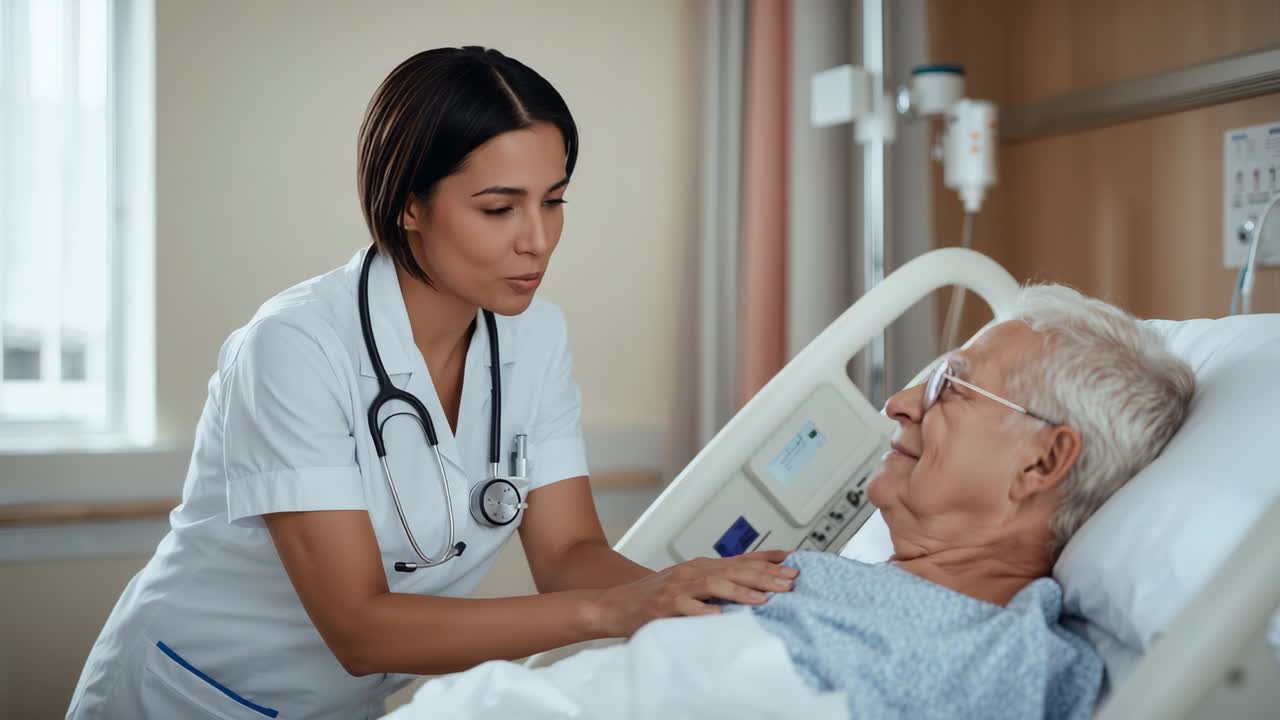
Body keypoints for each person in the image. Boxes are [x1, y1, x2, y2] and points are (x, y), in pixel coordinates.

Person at [67, 47, 795, 720]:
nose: (537, 240)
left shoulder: (535, 335)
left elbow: (569, 551)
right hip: (187, 694)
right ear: (409, 204)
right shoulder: (296, 346)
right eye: (499, 208)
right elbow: (362, 627)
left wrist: (699, 602)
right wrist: (614, 612)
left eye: (555, 200)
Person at [389, 284, 1197, 719]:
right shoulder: (835, 582)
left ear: (1043, 461)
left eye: (952, 386)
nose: (903, 403)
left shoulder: (1005, 663)